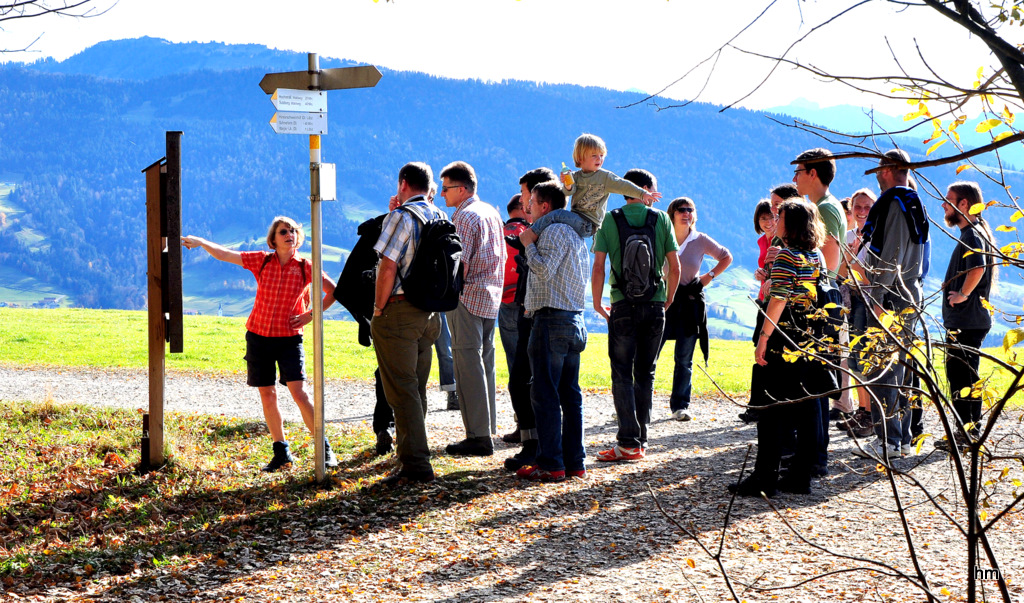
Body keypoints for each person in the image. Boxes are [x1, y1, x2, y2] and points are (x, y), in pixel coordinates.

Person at [181, 217, 339, 472]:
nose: (290, 234)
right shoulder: (262, 260)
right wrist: (201, 243)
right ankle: (281, 453)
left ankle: (324, 448)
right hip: (258, 337)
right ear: (273, 239)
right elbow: (225, 254)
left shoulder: (306, 266)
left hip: (289, 339)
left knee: (299, 393)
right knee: (267, 394)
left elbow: (334, 291)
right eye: (283, 231)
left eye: (293, 231)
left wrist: (310, 315)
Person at [730, 200, 833, 497]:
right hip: (806, 340)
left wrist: (763, 338)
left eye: (781, 217)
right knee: (802, 407)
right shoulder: (814, 255)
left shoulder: (787, 255)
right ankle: (800, 477)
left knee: (771, 408)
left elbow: (778, 300)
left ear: (793, 224)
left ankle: (764, 478)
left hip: (782, 337)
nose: (776, 220)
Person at [592, 169, 680, 461]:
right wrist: (666, 300)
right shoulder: (661, 219)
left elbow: (599, 266)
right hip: (654, 305)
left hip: (622, 305)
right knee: (646, 372)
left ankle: (627, 441)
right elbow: (674, 266)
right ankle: (640, 440)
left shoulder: (610, 219)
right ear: (644, 189)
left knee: (622, 372)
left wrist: (596, 302)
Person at [371, 161, 445, 486]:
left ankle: (416, 465)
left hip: (399, 311)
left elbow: (387, 267)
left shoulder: (401, 217)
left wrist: (377, 308)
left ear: (403, 183)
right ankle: (414, 455)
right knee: (415, 388)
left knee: (401, 391)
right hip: (431, 314)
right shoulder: (440, 215)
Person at [852, 149, 929, 461]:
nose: (879, 177)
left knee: (886, 368)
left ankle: (890, 441)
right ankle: (904, 438)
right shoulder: (915, 201)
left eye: (880, 170)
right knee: (905, 369)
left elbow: (892, 256)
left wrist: (879, 295)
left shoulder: (896, 203)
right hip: (912, 290)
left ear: (887, 170)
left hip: (893, 294)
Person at [515, 181, 590, 482]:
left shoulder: (554, 231)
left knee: (545, 393)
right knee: (570, 396)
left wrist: (527, 245)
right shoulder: (574, 233)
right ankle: (574, 463)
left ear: (545, 206)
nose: (527, 207)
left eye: (531, 201)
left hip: (552, 321)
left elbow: (544, 270)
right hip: (574, 321)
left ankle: (551, 463)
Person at [440, 161, 507, 457]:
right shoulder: (491, 211)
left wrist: (446, 294)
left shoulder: (464, 216)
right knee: (486, 363)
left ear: (462, 189)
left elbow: (460, 265)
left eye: (446, 188)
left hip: (466, 297)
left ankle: (478, 437)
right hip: (491, 295)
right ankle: (488, 427)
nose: (443, 194)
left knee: (467, 366)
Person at [503, 168, 559, 471]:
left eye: (526, 194)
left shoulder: (544, 229)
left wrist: (525, 244)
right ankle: (536, 444)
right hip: (531, 307)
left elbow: (542, 269)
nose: (523, 202)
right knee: (526, 380)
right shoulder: (544, 226)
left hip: (535, 310)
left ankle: (534, 446)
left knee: (525, 380)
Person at [659, 196, 732, 421]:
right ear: (672, 213)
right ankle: (635, 404)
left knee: (684, 358)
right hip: (661, 302)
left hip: (689, 303)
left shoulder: (700, 239)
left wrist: (707, 277)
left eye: (690, 210)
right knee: (648, 354)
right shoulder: (661, 236)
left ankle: (680, 407)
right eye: (681, 210)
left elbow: (726, 257)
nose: (686, 213)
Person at [519, 133, 660, 247]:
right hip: (576, 219)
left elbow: (624, 185)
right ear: (580, 158)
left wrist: (643, 194)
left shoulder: (605, 177)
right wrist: (567, 183)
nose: (599, 159)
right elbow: (568, 193)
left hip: (588, 224)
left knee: (556, 215)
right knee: (555, 221)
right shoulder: (575, 176)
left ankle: (530, 235)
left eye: (601, 155)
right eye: (594, 155)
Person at [937, 181, 995, 451]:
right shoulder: (976, 231)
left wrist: (961, 294)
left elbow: (978, 268)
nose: (943, 205)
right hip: (970, 320)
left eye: (948, 200)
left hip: (966, 321)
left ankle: (965, 436)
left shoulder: (972, 234)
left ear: (963, 204)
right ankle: (970, 434)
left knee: (961, 379)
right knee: (967, 378)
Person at [836, 189, 877, 439]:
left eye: (867, 208)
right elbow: (840, 271)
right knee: (853, 360)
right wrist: (849, 258)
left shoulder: (876, 237)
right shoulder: (849, 235)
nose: (862, 212)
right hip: (850, 300)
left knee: (865, 360)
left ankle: (870, 414)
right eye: (858, 207)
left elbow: (868, 275)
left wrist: (852, 259)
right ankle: (862, 411)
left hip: (868, 300)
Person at [498, 193, 531, 442]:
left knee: (515, 366)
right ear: (521, 207)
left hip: (505, 302)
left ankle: (523, 424)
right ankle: (532, 425)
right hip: (527, 303)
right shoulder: (528, 233)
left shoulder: (501, 232)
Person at [742, 198, 778, 424]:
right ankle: (757, 403)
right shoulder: (762, 241)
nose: (768, 222)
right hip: (764, 298)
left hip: (773, 301)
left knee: (763, 351)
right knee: (759, 350)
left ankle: (759, 405)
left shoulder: (778, 241)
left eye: (772, 217)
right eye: (763, 218)